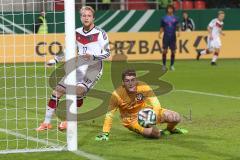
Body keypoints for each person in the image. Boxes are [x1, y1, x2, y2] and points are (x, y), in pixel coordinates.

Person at [36, 6, 110, 131]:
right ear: (80, 17)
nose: (86, 18)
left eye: (89, 16)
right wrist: (54, 60)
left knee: (79, 91)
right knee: (58, 90)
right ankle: (46, 123)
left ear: (93, 18)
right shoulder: (76, 32)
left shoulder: (100, 33)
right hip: (79, 65)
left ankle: (69, 120)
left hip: (94, 67)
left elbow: (108, 54)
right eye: (84, 15)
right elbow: (67, 50)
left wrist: (93, 56)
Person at [95, 69, 187, 141]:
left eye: (132, 80)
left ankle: (170, 129)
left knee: (176, 117)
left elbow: (156, 103)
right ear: (123, 83)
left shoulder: (143, 86)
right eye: (127, 81)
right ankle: (155, 130)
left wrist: (153, 117)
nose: (130, 83)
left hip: (147, 112)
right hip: (131, 120)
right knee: (156, 134)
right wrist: (105, 133)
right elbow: (109, 115)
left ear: (136, 80)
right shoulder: (116, 95)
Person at [159, 5, 180, 71]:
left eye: (171, 9)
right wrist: (160, 33)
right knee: (164, 51)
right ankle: (164, 65)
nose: (170, 10)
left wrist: (179, 32)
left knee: (173, 51)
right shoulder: (163, 18)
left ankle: (172, 65)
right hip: (166, 36)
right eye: (169, 9)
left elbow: (178, 26)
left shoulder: (176, 18)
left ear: (173, 10)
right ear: (167, 10)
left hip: (173, 36)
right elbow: (162, 27)